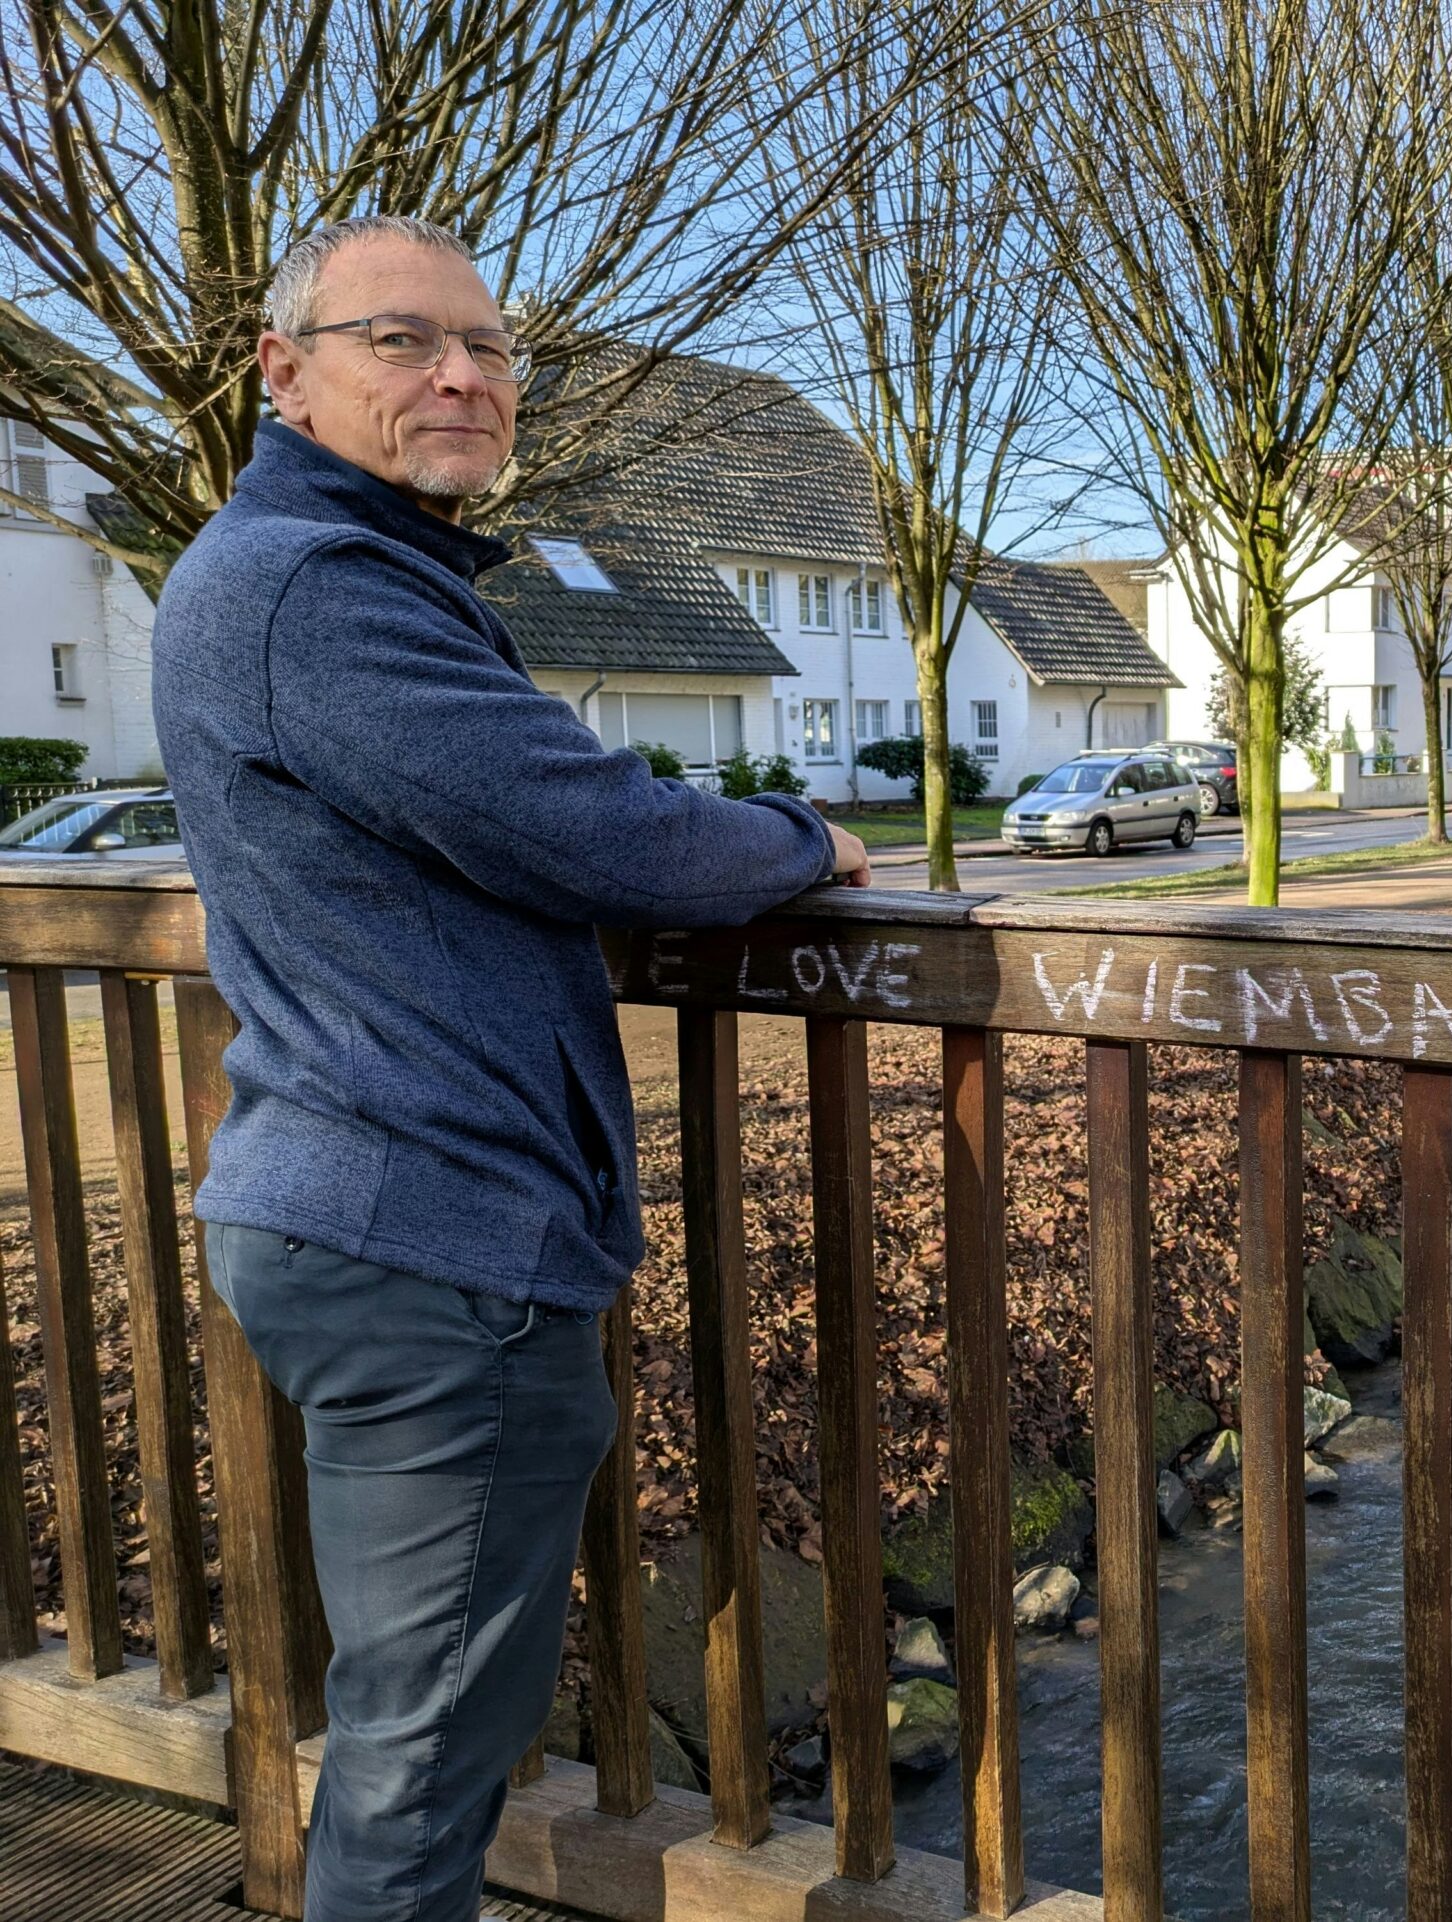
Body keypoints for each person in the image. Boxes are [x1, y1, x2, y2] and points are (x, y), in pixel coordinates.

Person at [152, 213, 870, 1921]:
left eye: (486, 349)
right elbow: (590, 826)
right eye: (402, 341)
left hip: (377, 1215)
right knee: (417, 1772)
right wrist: (799, 834)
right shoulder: (315, 591)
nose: (462, 374)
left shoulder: (324, 569)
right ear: (288, 372)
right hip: (429, 1242)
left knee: (412, 1737)